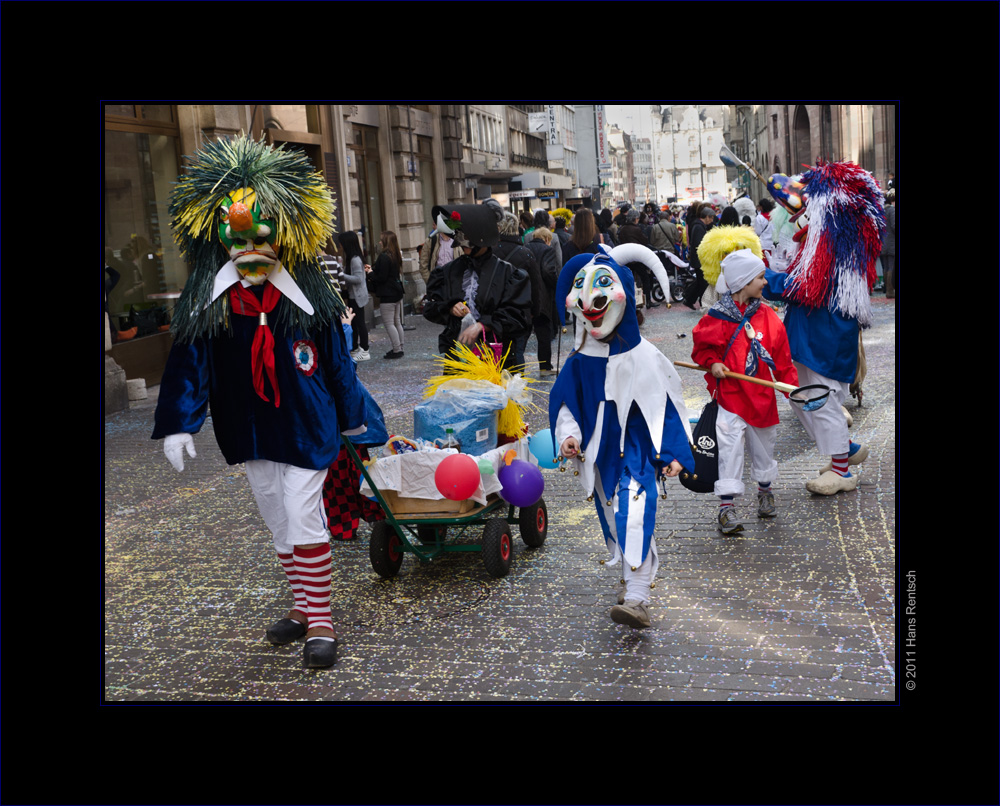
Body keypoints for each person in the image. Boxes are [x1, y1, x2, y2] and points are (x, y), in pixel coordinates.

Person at [152, 134, 375, 669]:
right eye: (238, 243)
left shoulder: (308, 293)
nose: (251, 254)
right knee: (277, 517)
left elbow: (337, 361)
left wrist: (353, 419)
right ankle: (301, 608)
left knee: (302, 513)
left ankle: (320, 619)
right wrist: (181, 422)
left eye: (262, 241)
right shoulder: (211, 299)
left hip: (307, 422)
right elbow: (191, 361)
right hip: (248, 424)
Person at [550, 243, 694, 629]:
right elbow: (566, 403)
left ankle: (637, 597)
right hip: (598, 454)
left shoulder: (646, 357)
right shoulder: (580, 360)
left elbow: (665, 407)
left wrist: (673, 452)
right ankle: (633, 579)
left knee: (634, 509)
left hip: (637, 448)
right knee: (614, 518)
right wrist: (569, 435)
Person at [762, 160, 885, 496]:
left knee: (818, 398)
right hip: (811, 336)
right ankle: (844, 450)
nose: (792, 209)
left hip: (823, 339)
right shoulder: (820, 245)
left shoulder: (832, 249)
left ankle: (842, 470)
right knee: (800, 396)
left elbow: (802, 287)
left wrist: (762, 278)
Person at [691, 250, 798, 534]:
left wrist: (794, 391)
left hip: (762, 400)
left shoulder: (768, 317)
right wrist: (713, 363)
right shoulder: (716, 316)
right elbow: (703, 349)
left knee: (764, 449)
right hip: (730, 399)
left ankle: (765, 490)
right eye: (760, 277)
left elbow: (783, 359)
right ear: (743, 282)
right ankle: (726, 508)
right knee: (729, 451)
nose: (765, 283)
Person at [423, 202, 530, 368]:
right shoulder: (449, 271)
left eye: (466, 241)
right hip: (459, 362)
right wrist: (450, 308)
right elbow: (430, 307)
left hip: (496, 362)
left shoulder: (507, 274)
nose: (461, 245)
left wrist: (483, 325)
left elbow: (517, 317)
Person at [494, 209, 540, 370]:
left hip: (496, 311)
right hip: (521, 311)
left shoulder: (491, 252)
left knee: (496, 351)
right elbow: (536, 286)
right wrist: (535, 310)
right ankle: (517, 384)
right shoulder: (526, 253)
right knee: (518, 351)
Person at [524, 226, 559, 375]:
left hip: (525, 296)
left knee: (523, 334)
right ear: (546, 239)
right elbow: (548, 271)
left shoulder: (524, 249)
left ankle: (516, 365)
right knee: (544, 333)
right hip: (543, 296)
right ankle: (545, 367)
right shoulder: (547, 250)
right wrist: (556, 285)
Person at [370, 230, 405, 359]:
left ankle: (397, 349)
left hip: (388, 293)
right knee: (397, 321)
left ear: (385, 241)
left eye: (381, 239)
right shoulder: (395, 255)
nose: (379, 242)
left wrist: (370, 273)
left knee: (389, 323)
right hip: (397, 292)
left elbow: (381, 277)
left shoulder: (384, 256)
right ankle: (400, 346)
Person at [337, 230, 370, 361]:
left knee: (360, 323)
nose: (340, 246)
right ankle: (356, 348)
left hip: (357, 296)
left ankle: (365, 349)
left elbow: (358, 278)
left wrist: (341, 274)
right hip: (353, 295)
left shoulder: (355, 259)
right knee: (355, 323)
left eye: (341, 244)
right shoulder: (352, 258)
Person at [682, 205, 716, 309]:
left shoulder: (699, 225)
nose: (712, 220)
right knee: (702, 283)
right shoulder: (699, 227)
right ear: (706, 217)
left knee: (700, 282)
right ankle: (702, 303)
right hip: (699, 260)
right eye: (711, 218)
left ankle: (689, 298)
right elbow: (699, 245)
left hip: (698, 259)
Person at [881, 188, 896, 298]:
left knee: (886, 267)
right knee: (891, 267)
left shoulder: (881, 210)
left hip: (883, 243)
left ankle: (887, 290)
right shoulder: (892, 210)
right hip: (891, 242)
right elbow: (895, 226)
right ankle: (890, 291)